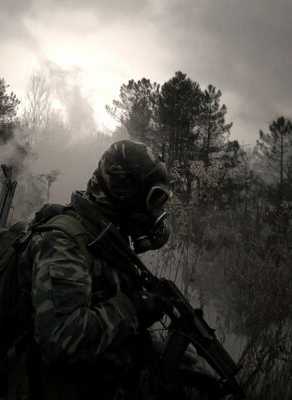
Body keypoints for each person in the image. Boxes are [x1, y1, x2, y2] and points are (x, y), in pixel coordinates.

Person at [18, 139, 177, 400]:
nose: (156, 212)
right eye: (153, 199)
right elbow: (63, 339)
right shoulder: (62, 242)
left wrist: (155, 352)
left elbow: (104, 311)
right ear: (122, 191)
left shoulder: (106, 238)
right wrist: (135, 307)